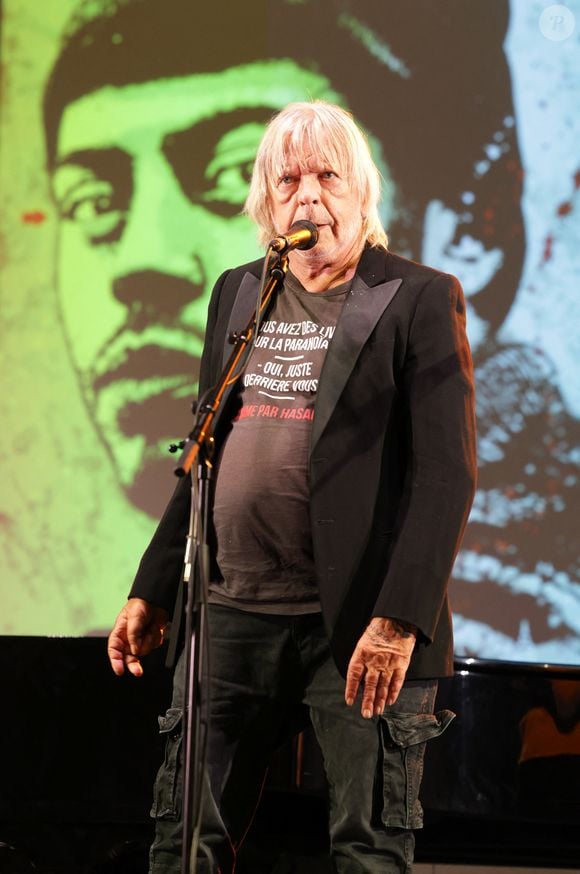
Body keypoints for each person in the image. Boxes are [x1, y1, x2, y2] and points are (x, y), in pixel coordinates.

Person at [108, 100, 477, 873]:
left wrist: (398, 621)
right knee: (184, 845)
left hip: (358, 624)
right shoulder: (238, 293)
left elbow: (447, 473)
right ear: (267, 203)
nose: (308, 195)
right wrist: (154, 588)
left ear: (361, 191)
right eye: (289, 180)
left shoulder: (416, 297)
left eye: (327, 177)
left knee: (368, 851)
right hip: (231, 613)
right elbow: (204, 452)